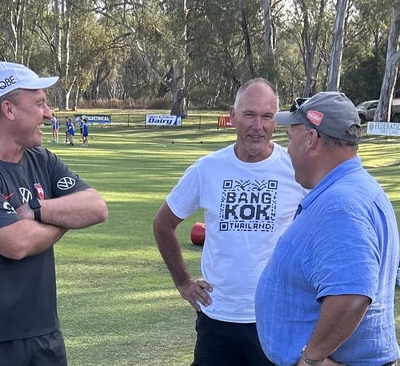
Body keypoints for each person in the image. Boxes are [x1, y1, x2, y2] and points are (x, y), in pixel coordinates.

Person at [0, 61, 108, 366]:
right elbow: (15, 243)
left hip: (46, 335)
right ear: (9, 109)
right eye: (40, 103)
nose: (48, 113)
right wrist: (63, 217)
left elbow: (96, 207)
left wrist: (36, 210)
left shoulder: (42, 159)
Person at [152, 78, 306, 366]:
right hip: (217, 318)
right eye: (249, 114)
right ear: (233, 116)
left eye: (267, 116)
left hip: (273, 319)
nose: (257, 126)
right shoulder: (208, 169)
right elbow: (163, 223)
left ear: (276, 122)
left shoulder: (296, 170)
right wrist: (183, 282)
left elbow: (323, 232)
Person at [255, 92, 400, 366]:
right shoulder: (355, 189)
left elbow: (352, 295)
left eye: (291, 138)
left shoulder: (340, 205)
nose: (287, 149)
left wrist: (311, 359)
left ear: (311, 139)